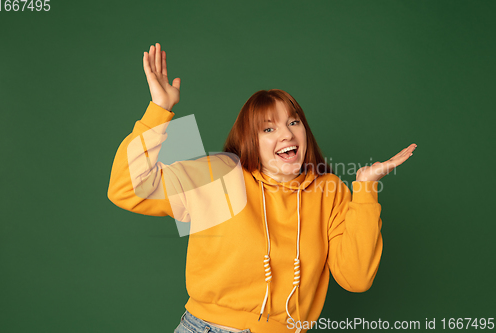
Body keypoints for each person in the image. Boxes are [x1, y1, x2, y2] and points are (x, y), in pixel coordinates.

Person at [107, 43, 417, 333]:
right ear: (249, 140)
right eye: (269, 128)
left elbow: (356, 278)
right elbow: (126, 188)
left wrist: (364, 189)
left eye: (293, 122)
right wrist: (160, 110)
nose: (286, 134)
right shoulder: (219, 173)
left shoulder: (330, 190)